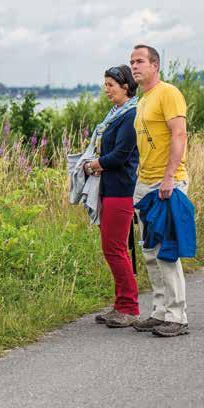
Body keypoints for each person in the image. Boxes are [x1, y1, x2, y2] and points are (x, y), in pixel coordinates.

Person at [129, 44, 190, 337]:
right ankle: (160, 311)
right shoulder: (143, 100)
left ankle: (177, 316)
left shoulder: (169, 93)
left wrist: (169, 178)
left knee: (166, 251)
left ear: (155, 65)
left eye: (140, 61)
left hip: (167, 183)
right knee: (149, 251)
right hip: (144, 183)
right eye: (132, 62)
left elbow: (179, 134)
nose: (134, 66)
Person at [85, 65, 140, 328]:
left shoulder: (131, 115)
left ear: (125, 86)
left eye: (110, 85)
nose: (106, 90)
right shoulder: (116, 114)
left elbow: (121, 155)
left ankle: (129, 307)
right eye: (105, 84)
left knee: (115, 249)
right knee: (112, 249)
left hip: (121, 190)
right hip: (110, 188)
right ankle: (120, 305)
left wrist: (94, 165)